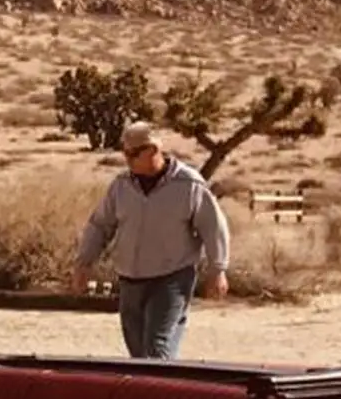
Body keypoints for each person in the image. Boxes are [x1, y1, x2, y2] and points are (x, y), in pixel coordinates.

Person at [72, 120, 231, 360]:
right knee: (138, 352)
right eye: (124, 152)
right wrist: (84, 263)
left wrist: (217, 269)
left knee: (157, 345)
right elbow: (100, 225)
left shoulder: (188, 184)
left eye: (134, 153)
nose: (127, 159)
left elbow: (213, 227)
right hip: (130, 278)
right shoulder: (121, 186)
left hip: (172, 278)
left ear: (153, 151)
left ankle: (167, 395)